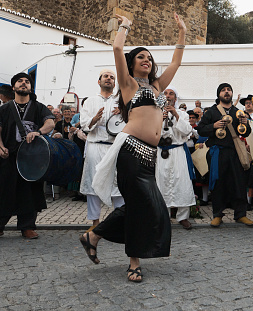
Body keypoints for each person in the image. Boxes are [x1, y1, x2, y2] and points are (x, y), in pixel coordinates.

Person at [79, 13, 186, 283]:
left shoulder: (158, 86)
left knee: (147, 207)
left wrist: (183, 32)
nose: (147, 60)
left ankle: (93, 235)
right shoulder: (128, 84)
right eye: (141, 57)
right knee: (143, 205)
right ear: (132, 64)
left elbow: (176, 61)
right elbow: (117, 48)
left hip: (150, 155)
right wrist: (125, 26)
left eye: (149, 57)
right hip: (130, 150)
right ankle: (133, 263)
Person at [0, 72, 55, 240]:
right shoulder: (4, 108)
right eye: (20, 81)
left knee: (29, 192)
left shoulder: (38, 107)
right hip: (7, 155)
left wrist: (38, 132)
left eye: (27, 81)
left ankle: (27, 226)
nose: (23, 83)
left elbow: (50, 123)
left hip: (31, 158)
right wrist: (0, 147)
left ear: (30, 87)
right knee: (1, 191)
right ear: (13, 87)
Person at [195, 83, 253, 227]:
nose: (226, 92)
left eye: (229, 90)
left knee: (239, 183)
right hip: (217, 152)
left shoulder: (238, 111)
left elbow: (245, 132)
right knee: (218, 183)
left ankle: (241, 214)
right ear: (218, 94)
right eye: (223, 90)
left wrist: (245, 124)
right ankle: (217, 215)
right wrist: (213, 126)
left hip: (235, 152)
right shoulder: (212, 112)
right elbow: (201, 130)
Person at [79, 69, 125, 227]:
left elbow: (129, 122)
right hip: (95, 146)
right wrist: (94, 119)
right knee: (93, 183)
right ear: (99, 81)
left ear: (114, 83)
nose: (109, 79)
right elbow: (84, 124)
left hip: (114, 147)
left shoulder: (121, 101)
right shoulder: (90, 101)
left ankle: (118, 222)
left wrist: (123, 113)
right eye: (106, 76)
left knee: (117, 183)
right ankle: (95, 222)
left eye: (112, 77)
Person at [157, 86, 195, 230]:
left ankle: (183, 217)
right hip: (162, 153)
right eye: (165, 93)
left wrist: (176, 115)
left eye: (171, 93)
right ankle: (163, 216)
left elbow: (187, 131)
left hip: (178, 151)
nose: (168, 96)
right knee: (162, 182)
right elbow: (153, 133)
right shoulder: (156, 113)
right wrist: (160, 120)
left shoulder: (183, 114)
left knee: (181, 182)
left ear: (175, 98)